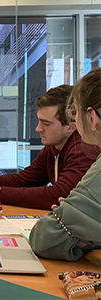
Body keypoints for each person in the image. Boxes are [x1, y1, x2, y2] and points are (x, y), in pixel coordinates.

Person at [0, 84, 99, 209]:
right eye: (39, 121)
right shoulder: (53, 147)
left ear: (71, 127)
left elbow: (58, 194)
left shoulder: (84, 148)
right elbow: (24, 180)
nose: (38, 128)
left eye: (46, 123)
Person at [29, 68, 101, 261]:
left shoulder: (88, 155)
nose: (75, 121)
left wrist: (75, 225)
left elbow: (43, 238)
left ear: (92, 117)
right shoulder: (54, 149)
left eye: (75, 113)